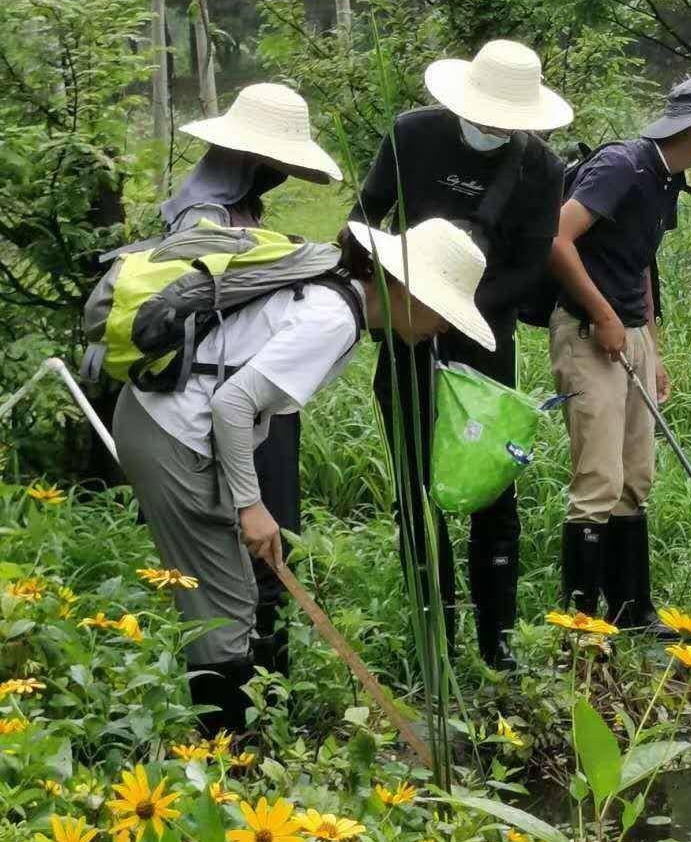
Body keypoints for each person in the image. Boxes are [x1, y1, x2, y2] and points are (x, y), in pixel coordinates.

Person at [113, 217, 495, 734]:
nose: (443, 327)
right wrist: (250, 505)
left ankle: (234, 754)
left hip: (167, 425)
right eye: (443, 311)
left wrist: (243, 498)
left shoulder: (338, 299)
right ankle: (226, 763)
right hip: (171, 435)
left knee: (234, 601)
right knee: (223, 617)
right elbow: (231, 404)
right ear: (405, 290)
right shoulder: (334, 320)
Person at [356, 40, 572, 670]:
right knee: (416, 487)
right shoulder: (413, 136)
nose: (494, 127)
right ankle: (436, 639)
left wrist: (463, 311)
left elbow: (532, 265)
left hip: (484, 340)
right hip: (405, 331)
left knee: (489, 485)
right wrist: (393, 298)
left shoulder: (541, 168)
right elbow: (364, 216)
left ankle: (498, 641)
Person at [549, 75, 691, 628]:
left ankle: (632, 611)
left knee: (635, 477)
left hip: (632, 334)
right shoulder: (623, 166)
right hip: (585, 331)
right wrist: (602, 316)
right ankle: (580, 625)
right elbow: (558, 239)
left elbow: (643, 263)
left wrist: (653, 345)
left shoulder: (669, 179)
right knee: (598, 479)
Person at [162, 83, 343, 678]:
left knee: (275, 535)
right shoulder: (200, 216)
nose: (278, 176)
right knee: (250, 536)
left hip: (256, 390)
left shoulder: (241, 211)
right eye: (272, 164)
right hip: (223, 397)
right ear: (246, 160)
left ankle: (272, 682)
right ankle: (250, 691)